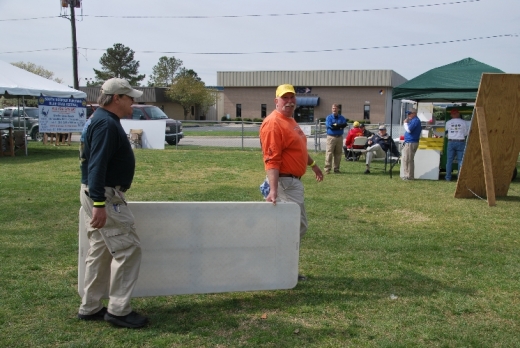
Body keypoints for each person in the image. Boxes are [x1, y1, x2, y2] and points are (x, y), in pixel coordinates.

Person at [77, 78, 148, 329]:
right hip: (104, 196)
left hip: (97, 193)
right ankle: (118, 310)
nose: (133, 102)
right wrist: (99, 202)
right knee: (128, 248)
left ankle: (91, 306)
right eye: (130, 97)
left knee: (100, 248)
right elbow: (97, 165)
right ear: (116, 98)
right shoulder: (106, 124)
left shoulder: (99, 120)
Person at [259, 83, 323, 282]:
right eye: (284, 98)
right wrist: (274, 190)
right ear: (276, 101)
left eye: (291, 97)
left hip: (292, 182)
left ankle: (282, 268)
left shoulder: (290, 121)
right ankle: (279, 269)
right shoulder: (273, 123)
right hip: (284, 182)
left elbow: (298, 150)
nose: (289, 101)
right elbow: (272, 159)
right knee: (293, 227)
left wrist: (313, 164)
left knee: (294, 227)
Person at [445, 108, 468, 181]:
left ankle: (448, 177)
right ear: (458, 114)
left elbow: (446, 133)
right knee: (460, 160)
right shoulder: (463, 122)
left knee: (449, 160)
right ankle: (459, 177)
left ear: (451, 115)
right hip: (460, 141)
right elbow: (466, 133)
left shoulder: (448, 122)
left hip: (451, 141)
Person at [324, 104, 348, 174]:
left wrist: (337, 126)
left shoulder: (342, 118)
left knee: (338, 153)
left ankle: (336, 169)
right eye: (333, 108)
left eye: (335, 108)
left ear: (338, 109)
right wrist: (338, 126)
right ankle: (327, 169)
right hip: (331, 137)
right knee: (329, 153)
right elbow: (330, 126)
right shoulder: (329, 117)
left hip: (339, 137)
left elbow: (344, 125)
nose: (334, 109)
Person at [401, 108, 422, 180]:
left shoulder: (415, 120)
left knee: (409, 160)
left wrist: (405, 123)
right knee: (406, 159)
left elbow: (409, 130)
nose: (408, 115)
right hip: (409, 142)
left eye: (410, 113)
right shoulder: (413, 120)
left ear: (414, 113)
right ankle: (406, 175)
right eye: (408, 113)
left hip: (411, 142)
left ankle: (409, 176)